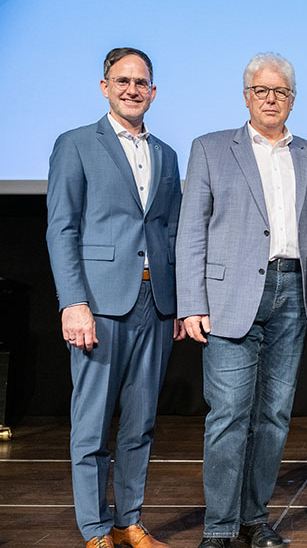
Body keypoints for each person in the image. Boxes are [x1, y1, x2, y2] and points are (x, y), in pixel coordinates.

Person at [176, 52, 307, 548]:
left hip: (294, 291)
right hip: (229, 298)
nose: (270, 99)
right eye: (261, 91)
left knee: (274, 416)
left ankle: (254, 519)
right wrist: (190, 304)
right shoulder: (211, 148)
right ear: (246, 97)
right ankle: (219, 527)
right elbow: (191, 232)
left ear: (292, 99)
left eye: (280, 92)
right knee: (227, 416)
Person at [46, 47, 184, 548]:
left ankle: (129, 521)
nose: (132, 89)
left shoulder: (166, 153)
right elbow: (62, 229)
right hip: (99, 306)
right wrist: (72, 302)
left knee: (141, 423)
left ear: (153, 91)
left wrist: (178, 300)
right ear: (104, 86)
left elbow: (167, 231)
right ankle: (95, 530)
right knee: (92, 424)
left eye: (141, 82)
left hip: (155, 303)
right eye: (122, 80)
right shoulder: (77, 144)